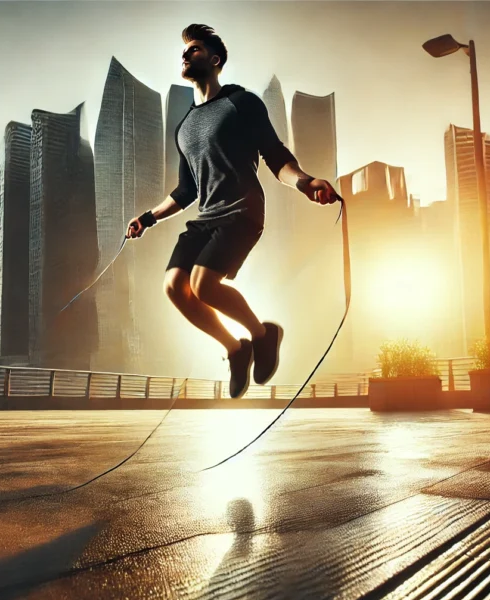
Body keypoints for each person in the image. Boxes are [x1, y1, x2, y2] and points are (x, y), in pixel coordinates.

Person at [127, 24, 341, 399]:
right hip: (205, 217)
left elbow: (275, 155)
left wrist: (307, 183)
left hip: (241, 211)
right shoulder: (184, 127)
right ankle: (236, 348)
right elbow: (187, 189)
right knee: (175, 287)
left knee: (204, 285)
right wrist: (147, 218)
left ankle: (263, 335)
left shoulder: (242, 102)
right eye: (184, 51)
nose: (185, 54)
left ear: (214, 59)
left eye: (193, 49)